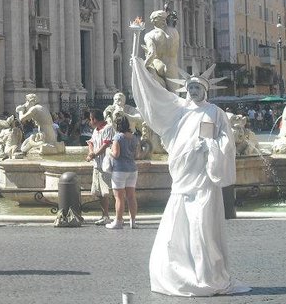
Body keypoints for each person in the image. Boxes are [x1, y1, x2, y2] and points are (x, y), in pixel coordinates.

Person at [131, 57, 250, 296]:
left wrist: (210, 147)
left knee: (202, 226)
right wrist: (137, 67)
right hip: (183, 177)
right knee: (180, 225)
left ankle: (206, 273)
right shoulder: (179, 110)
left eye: (198, 87)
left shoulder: (215, 113)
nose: (194, 91)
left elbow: (227, 143)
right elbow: (155, 96)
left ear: (205, 90)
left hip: (204, 178)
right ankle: (178, 272)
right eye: (191, 87)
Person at [106, 116, 139, 229]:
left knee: (119, 197)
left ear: (117, 125)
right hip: (132, 169)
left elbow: (116, 154)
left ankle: (118, 222)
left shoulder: (118, 137)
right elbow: (137, 155)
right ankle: (133, 221)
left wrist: (109, 151)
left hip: (120, 170)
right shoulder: (134, 138)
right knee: (131, 196)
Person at [86, 107, 114, 226]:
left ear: (94, 119)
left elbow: (106, 145)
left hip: (105, 165)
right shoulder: (96, 130)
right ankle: (104, 215)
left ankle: (107, 215)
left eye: (90, 119)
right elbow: (91, 142)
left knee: (106, 192)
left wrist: (93, 155)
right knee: (98, 192)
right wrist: (91, 153)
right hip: (97, 165)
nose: (89, 122)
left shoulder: (108, 128)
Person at [143, 9, 180, 91]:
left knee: (160, 94)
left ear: (153, 21)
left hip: (157, 66)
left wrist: (142, 67)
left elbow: (151, 54)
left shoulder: (150, 35)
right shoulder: (174, 32)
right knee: (175, 97)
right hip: (171, 66)